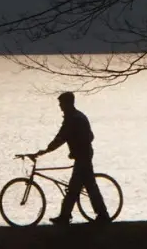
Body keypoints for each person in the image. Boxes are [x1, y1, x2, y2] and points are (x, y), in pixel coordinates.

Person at [31, 92, 110, 225]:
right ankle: (72, 216)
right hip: (83, 155)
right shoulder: (76, 117)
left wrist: (46, 150)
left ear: (68, 104)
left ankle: (71, 216)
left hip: (83, 157)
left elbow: (62, 137)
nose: (60, 107)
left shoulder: (74, 119)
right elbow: (84, 136)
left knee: (79, 188)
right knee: (83, 187)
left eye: (61, 104)